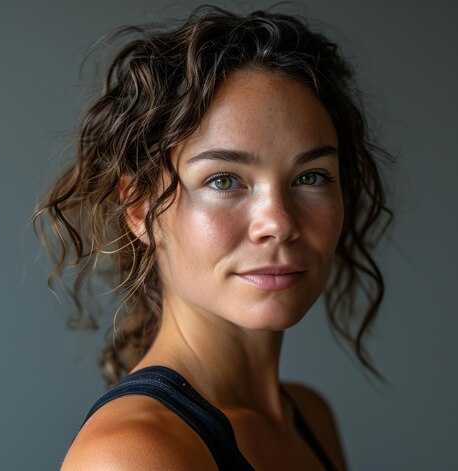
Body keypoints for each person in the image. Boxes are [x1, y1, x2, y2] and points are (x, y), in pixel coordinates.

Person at [34, 5, 392, 470]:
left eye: (311, 177)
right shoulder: (132, 455)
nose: (278, 222)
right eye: (224, 180)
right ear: (139, 206)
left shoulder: (308, 417)